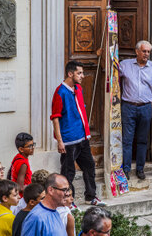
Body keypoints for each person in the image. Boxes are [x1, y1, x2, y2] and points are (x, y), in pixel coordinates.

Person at [50, 61, 105, 206]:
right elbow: (55, 119)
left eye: (82, 73)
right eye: (79, 73)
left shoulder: (78, 89)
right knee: (68, 173)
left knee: (89, 167)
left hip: (82, 138)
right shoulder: (60, 93)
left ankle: (91, 196)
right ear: (70, 74)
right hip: (69, 141)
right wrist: (60, 141)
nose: (82, 76)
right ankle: (68, 201)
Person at [119, 40, 152, 180]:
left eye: (148, 52)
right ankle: (126, 169)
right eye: (144, 51)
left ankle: (140, 169)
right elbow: (111, 76)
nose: (146, 54)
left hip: (145, 108)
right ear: (137, 51)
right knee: (127, 140)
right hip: (128, 106)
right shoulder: (125, 65)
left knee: (143, 140)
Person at [8, 132, 35, 197]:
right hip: (22, 198)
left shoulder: (18, 157)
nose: (33, 148)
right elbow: (20, 187)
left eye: (33, 144)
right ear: (21, 149)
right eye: (30, 146)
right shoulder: (23, 164)